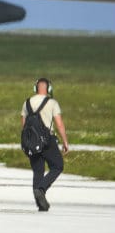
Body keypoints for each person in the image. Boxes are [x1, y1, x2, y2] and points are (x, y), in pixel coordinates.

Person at [22, 77, 70, 211]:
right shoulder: (52, 103)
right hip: (47, 140)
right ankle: (41, 189)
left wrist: (28, 143)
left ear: (35, 88)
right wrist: (65, 141)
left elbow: (23, 126)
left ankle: (40, 203)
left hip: (32, 141)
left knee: (38, 171)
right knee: (57, 165)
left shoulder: (26, 103)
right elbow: (59, 124)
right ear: (49, 89)